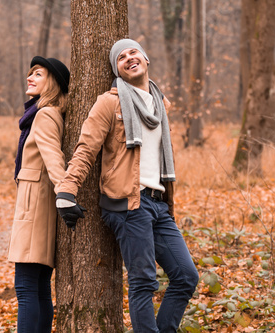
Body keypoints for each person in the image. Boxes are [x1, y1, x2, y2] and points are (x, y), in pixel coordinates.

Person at [55, 39, 199, 333]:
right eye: (120, 57)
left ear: (146, 59)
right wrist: (66, 190)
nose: (129, 57)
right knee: (144, 280)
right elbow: (86, 149)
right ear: (117, 70)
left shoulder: (160, 105)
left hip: (159, 204)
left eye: (133, 52)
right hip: (128, 204)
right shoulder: (109, 102)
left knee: (186, 276)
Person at [7, 56, 70, 333]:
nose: (30, 78)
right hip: (39, 205)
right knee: (40, 286)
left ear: (52, 83)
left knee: (26, 287)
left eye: (38, 74)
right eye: (30, 73)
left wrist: (66, 192)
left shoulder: (44, 114)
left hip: (35, 207)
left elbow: (53, 157)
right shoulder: (45, 112)